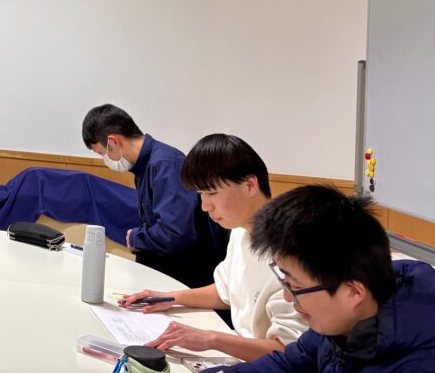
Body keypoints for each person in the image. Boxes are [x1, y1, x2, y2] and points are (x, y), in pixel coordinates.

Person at [206, 185, 435, 372]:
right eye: (286, 282)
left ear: (354, 292)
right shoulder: (339, 323)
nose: (287, 297)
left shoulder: (417, 362)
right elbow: (288, 364)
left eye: (295, 287)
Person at [119, 134, 306, 360]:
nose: (205, 206)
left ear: (250, 185)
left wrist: (211, 339)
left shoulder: (291, 250)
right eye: (200, 194)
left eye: (212, 193)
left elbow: (289, 350)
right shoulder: (239, 232)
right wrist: (169, 297)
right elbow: (225, 291)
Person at [82, 104, 224, 288]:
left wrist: (136, 237)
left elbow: (175, 233)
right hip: (168, 272)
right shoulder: (145, 167)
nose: (105, 159)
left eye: (102, 153)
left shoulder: (165, 165)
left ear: (114, 142)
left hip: (185, 278)